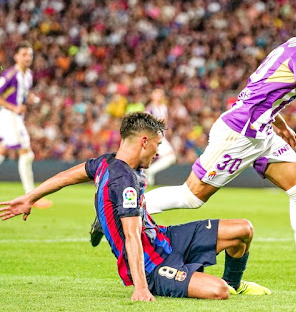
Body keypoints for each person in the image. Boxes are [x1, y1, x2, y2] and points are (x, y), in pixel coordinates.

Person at [102, 4, 296, 281]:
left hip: (261, 134)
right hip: (239, 135)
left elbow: (259, 87)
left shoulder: (294, 45)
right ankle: (117, 209)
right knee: (191, 197)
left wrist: (280, 124)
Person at [0, 112, 271, 300]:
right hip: (152, 266)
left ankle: (236, 285)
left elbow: (63, 178)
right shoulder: (125, 181)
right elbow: (131, 237)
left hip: (165, 239)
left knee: (244, 230)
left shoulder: (104, 163)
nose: (158, 152)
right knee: (217, 291)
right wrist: (141, 287)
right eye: (157, 144)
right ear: (144, 141)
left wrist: (29, 198)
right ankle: (213, 284)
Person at [0, 42, 51, 209]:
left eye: (30, 54)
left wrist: (30, 99)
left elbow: (23, 95)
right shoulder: (10, 75)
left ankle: (31, 196)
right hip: (9, 116)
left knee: (3, 150)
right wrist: (14, 107)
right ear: (16, 56)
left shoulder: (28, 74)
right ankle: (31, 197)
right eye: (24, 54)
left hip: (16, 117)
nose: (28, 57)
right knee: (27, 154)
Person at [144, 88, 177, 186]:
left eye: (161, 93)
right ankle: (150, 172)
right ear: (152, 96)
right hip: (154, 136)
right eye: (157, 93)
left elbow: (165, 122)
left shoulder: (163, 107)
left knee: (169, 157)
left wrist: (167, 130)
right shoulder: (149, 109)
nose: (159, 95)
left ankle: (149, 173)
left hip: (162, 137)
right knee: (171, 157)